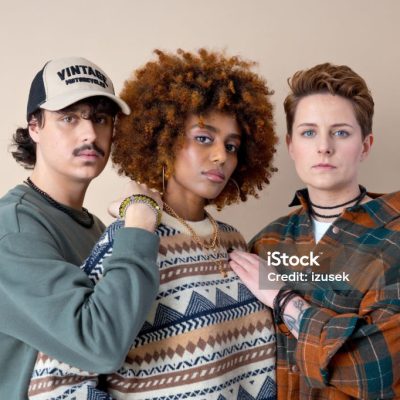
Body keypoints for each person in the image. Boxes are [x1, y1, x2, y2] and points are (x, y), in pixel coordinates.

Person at [28, 49, 278, 400]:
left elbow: (282, 328)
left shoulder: (235, 243)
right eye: (203, 138)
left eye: (232, 145)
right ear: (164, 138)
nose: (221, 156)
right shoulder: (132, 238)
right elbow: (54, 383)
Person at [229, 63, 400, 399]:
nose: (324, 147)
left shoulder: (394, 237)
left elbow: (375, 369)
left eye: (340, 132)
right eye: (309, 132)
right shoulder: (266, 243)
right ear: (291, 146)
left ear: (365, 145)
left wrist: (283, 301)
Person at [0, 57, 163, 399]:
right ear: (35, 127)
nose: (90, 134)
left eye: (101, 119)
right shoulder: (12, 230)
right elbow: (98, 345)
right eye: (68, 118)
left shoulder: (96, 228)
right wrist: (140, 220)